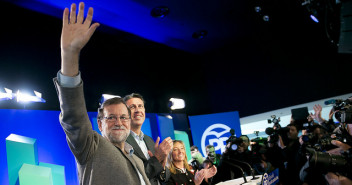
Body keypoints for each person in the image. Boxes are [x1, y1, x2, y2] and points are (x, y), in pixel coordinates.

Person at [55, 2, 150, 184]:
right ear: (99, 123)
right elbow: (73, 116)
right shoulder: (91, 147)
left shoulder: (137, 159)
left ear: (130, 123)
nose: (118, 122)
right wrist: (70, 53)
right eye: (111, 118)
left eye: (123, 117)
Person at [123, 93, 173, 185]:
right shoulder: (121, 141)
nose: (138, 110)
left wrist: (163, 167)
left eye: (140, 106)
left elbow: (165, 177)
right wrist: (157, 158)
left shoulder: (149, 140)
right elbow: (132, 177)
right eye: (132, 107)